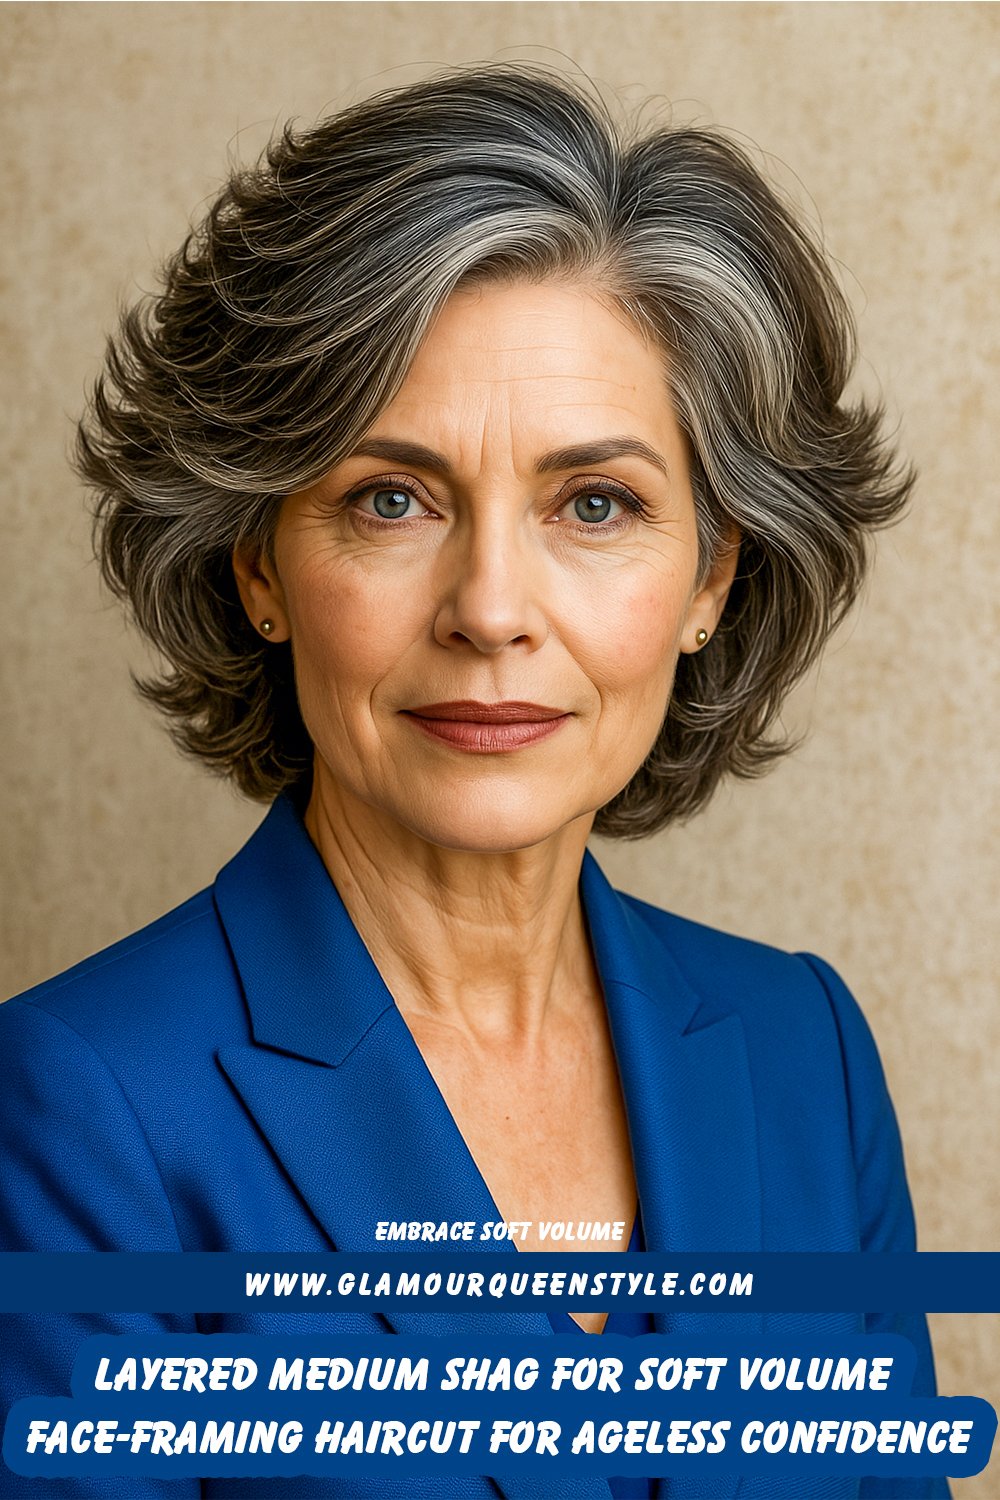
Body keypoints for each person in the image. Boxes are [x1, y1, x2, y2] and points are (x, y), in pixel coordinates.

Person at [0, 63, 947, 1500]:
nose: (492, 608)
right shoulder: (83, 1106)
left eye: (596, 504)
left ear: (712, 576)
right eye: (392, 499)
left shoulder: (803, 1054)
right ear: (261, 564)